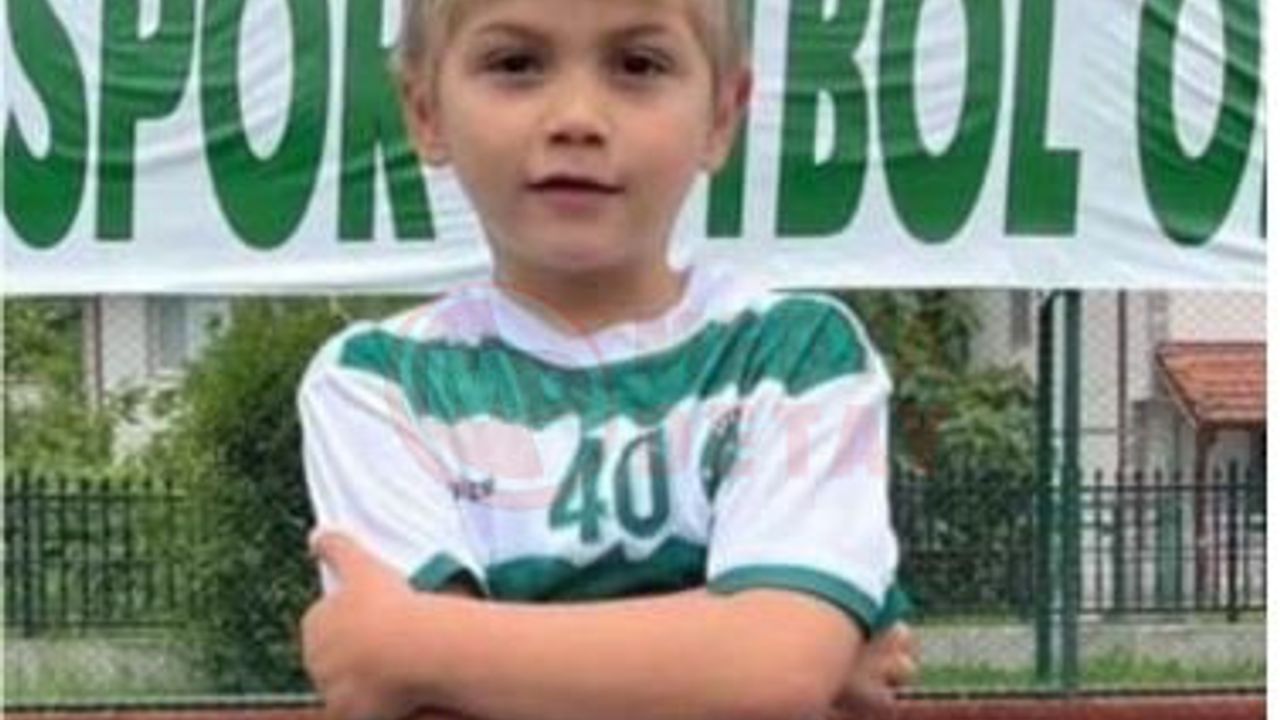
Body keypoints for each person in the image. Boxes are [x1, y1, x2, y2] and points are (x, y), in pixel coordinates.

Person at [297, 0, 917, 718]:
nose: (577, 118)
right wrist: (749, 649)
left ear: (721, 116)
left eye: (638, 65)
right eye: (516, 64)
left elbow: (776, 667)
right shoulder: (376, 382)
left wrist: (417, 646)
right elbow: (435, 707)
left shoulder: (797, 352)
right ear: (425, 112)